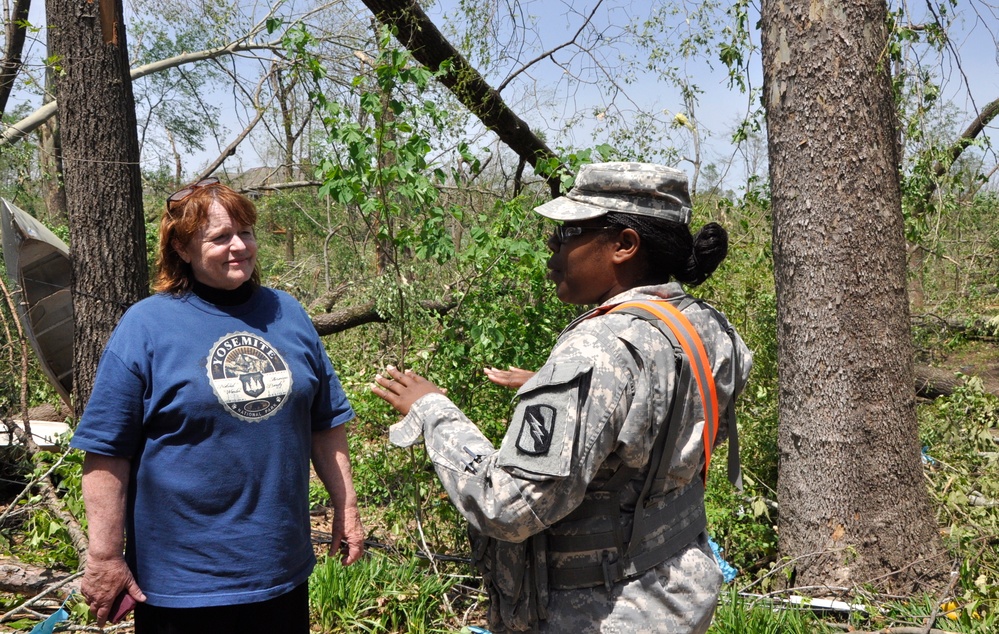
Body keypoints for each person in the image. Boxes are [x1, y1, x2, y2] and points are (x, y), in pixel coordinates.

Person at [373, 162, 752, 633]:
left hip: (602, 609)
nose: (551, 248)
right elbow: (660, 423)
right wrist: (563, 390)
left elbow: (507, 507)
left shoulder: (599, 350)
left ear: (624, 245)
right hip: (677, 593)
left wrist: (432, 412)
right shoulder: (707, 325)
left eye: (569, 232)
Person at [71, 178, 365, 634]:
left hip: (280, 572)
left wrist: (346, 509)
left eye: (244, 233)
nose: (238, 247)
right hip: (182, 583)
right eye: (219, 237)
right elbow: (107, 450)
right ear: (183, 249)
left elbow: (324, 423)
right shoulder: (146, 326)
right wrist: (105, 556)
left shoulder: (287, 313)